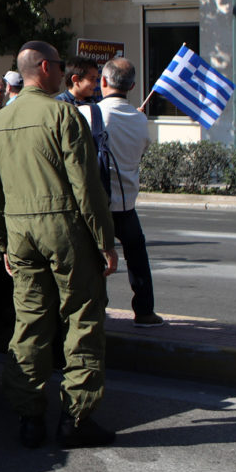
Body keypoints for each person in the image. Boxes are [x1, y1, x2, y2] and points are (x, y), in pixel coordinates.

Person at [0, 40, 119, 449]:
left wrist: (3, 244)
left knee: (30, 322)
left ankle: (29, 418)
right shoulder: (63, 114)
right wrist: (105, 241)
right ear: (44, 68)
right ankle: (76, 419)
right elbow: (86, 186)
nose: (63, 72)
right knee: (82, 319)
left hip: (20, 233)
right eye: (59, 65)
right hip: (63, 229)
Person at [94, 57, 162, 326]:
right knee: (137, 257)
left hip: (99, 204)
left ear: (103, 82)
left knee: (95, 260)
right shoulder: (140, 120)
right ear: (132, 85)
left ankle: (98, 311)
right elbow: (142, 150)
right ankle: (144, 311)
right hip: (127, 203)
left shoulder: (92, 114)